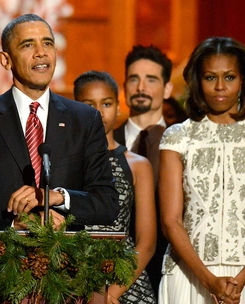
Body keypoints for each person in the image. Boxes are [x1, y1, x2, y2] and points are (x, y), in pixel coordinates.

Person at [0, 14, 119, 236]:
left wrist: (58, 197)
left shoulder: (84, 120)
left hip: (68, 265)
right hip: (2, 263)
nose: (41, 52)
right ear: (5, 60)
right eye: (28, 45)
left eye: (48, 43)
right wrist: (14, 223)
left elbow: (107, 203)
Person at [158, 36, 245, 304]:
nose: (220, 87)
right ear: (198, 81)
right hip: (189, 276)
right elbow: (171, 221)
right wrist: (209, 281)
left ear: (242, 80)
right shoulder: (178, 136)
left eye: (229, 77)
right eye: (210, 78)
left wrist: (239, 279)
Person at [74, 70, 157, 304]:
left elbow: (147, 241)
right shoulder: (66, 165)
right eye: (88, 104)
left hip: (127, 280)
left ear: (118, 108)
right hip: (76, 280)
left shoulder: (138, 165)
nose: (98, 112)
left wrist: (113, 293)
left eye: (107, 103)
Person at [113, 44, 173, 298]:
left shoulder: (183, 142)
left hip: (170, 268)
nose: (141, 88)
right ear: (124, 86)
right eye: (134, 79)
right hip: (114, 271)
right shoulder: (103, 142)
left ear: (167, 88)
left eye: (151, 80)